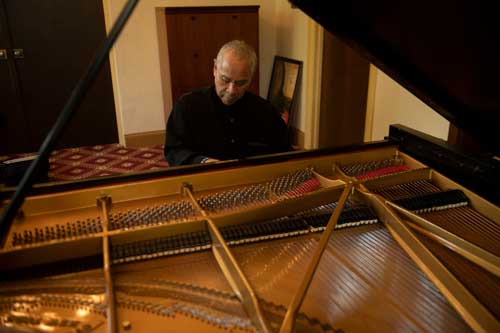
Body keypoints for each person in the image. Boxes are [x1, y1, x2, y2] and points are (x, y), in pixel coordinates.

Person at [164, 40, 292, 166]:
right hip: (204, 178)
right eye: (225, 79)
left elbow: (285, 151)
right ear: (215, 69)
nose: (231, 90)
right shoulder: (187, 106)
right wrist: (203, 162)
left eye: (241, 83)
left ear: (251, 77)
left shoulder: (265, 110)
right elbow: (174, 151)